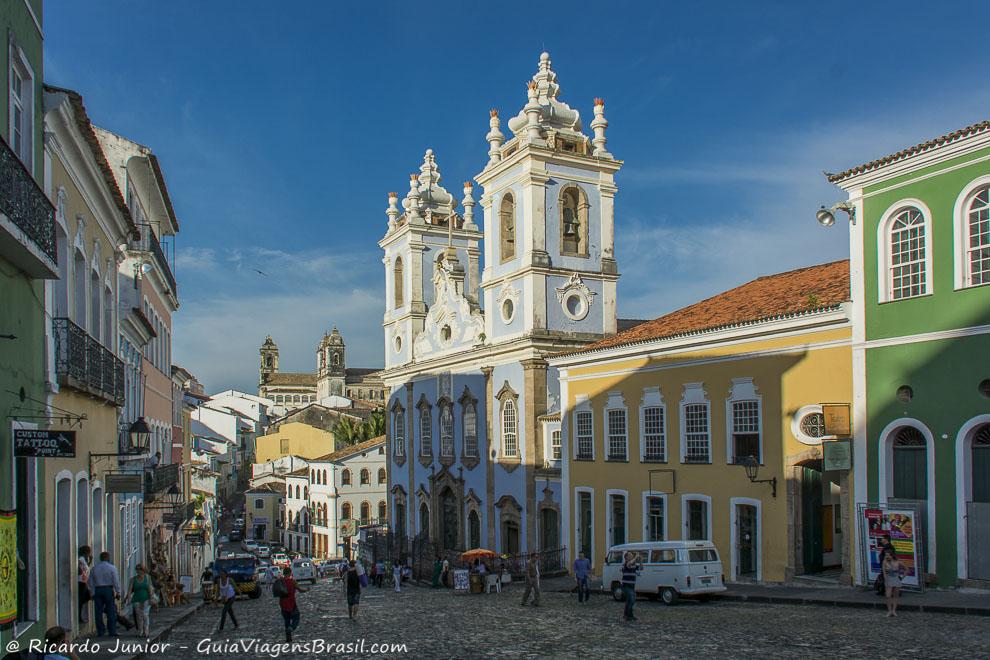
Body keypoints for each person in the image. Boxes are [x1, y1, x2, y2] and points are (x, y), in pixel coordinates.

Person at [87, 551, 121, 637]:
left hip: (98, 589)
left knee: (98, 611)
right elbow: (116, 581)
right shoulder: (112, 568)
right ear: (108, 558)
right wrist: (118, 592)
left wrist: (92, 593)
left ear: (100, 558)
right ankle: (112, 630)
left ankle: (100, 631)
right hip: (108, 589)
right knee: (111, 611)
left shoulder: (94, 568)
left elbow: (90, 582)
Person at [278, 566, 309, 642]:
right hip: (291, 604)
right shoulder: (293, 581)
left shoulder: (280, 582)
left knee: (286, 620)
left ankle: (288, 638)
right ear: (290, 573)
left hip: (282, 604)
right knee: (296, 617)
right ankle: (291, 628)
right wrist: (307, 589)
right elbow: (300, 590)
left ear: (284, 573)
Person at [125, 564, 155, 637]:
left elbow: (150, 589)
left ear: (143, 570)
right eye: (137, 570)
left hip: (146, 599)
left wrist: (151, 598)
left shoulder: (147, 578)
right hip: (136, 599)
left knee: (145, 614)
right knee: (139, 616)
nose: (138, 571)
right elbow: (129, 590)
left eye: (140, 569)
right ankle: (140, 630)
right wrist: (128, 599)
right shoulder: (133, 579)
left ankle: (146, 630)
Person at [620, 551, 641, 622]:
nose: (631, 556)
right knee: (632, 600)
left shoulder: (634, 564)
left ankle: (628, 615)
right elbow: (629, 564)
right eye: (630, 555)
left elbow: (641, 568)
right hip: (626, 585)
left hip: (632, 585)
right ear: (626, 557)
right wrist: (636, 557)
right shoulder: (625, 563)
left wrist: (640, 561)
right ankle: (627, 615)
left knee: (629, 601)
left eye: (632, 555)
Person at [883, 552, 905, 617]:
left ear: (892, 556)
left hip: (896, 579)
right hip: (888, 579)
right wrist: (885, 579)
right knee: (888, 595)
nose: (886, 556)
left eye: (888, 555)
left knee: (895, 595)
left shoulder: (898, 562)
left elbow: (906, 569)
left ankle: (894, 610)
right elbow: (884, 571)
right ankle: (889, 611)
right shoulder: (884, 562)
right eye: (886, 555)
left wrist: (901, 577)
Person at [77, 546, 92, 624]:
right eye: (89, 552)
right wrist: (81, 572)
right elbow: (80, 568)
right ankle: (79, 616)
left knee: (87, 597)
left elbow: (86, 568)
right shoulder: (81, 559)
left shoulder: (85, 560)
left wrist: (90, 562)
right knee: (84, 597)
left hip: (84, 581)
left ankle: (79, 614)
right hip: (81, 582)